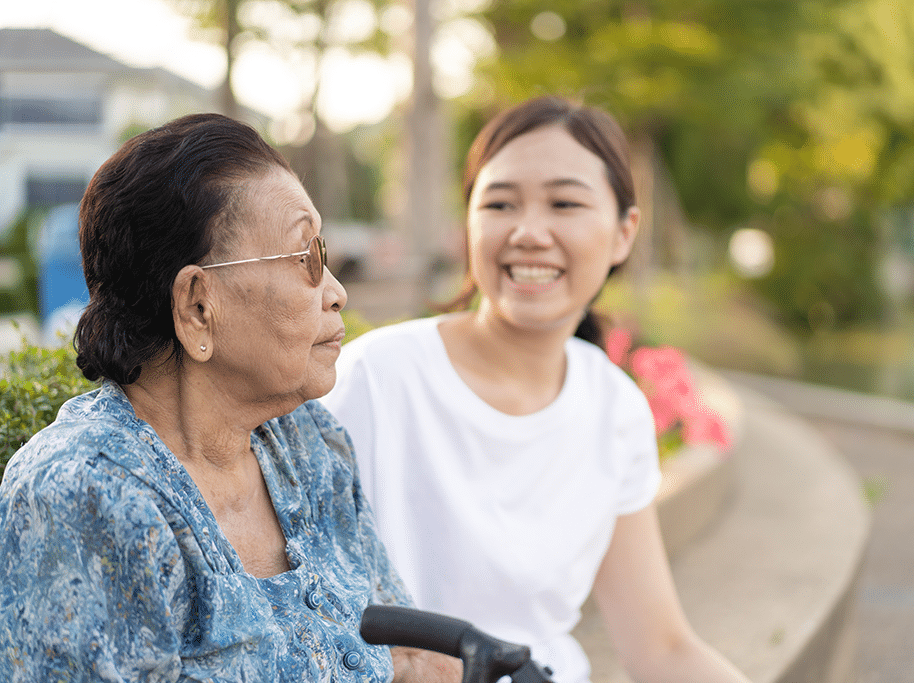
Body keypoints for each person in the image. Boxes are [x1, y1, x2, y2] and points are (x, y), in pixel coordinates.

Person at [0, 114, 458, 683]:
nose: (336, 293)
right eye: (305, 259)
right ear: (197, 304)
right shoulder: (83, 494)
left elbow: (412, 656)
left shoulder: (307, 441)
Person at [320, 96, 751, 683]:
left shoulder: (613, 407)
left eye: (565, 203)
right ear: (468, 225)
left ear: (624, 233)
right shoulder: (375, 376)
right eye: (499, 203)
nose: (528, 232)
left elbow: (661, 648)